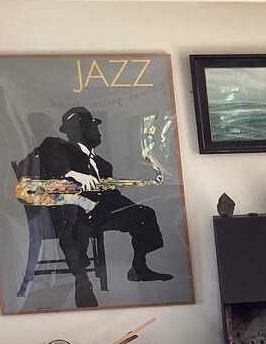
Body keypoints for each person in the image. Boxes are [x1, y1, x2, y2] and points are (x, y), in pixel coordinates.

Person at [21, 106, 171, 308]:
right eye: (91, 126)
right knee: (75, 223)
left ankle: (139, 267)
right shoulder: (59, 147)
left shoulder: (103, 164)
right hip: (71, 212)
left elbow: (112, 196)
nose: (97, 130)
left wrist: (135, 200)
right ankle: (82, 282)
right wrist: (74, 174)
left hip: (101, 212)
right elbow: (49, 155)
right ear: (76, 131)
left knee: (145, 214)